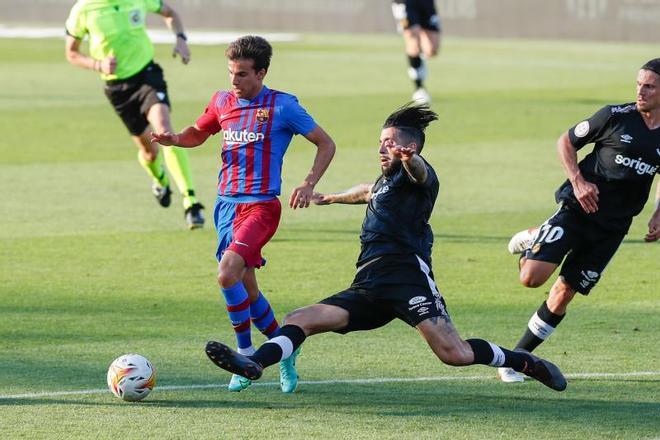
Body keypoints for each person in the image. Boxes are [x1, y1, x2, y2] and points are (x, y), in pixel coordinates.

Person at [203, 103, 567, 393]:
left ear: (410, 147)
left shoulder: (418, 176)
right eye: (380, 141)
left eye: (389, 142)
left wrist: (413, 160)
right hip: (369, 284)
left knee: (454, 354)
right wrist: (328, 197)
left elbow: (420, 173)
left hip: (408, 278)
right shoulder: (385, 181)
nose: (382, 148)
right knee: (300, 318)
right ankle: (254, 364)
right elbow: (366, 190)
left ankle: (523, 362)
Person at [151, 35, 336, 393]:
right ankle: (284, 348)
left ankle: (245, 354)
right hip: (226, 206)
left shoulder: (283, 107)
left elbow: (325, 142)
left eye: (241, 75)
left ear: (261, 73)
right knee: (247, 289)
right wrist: (175, 139)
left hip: (261, 206)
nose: (233, 82)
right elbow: (199, 132)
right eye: (231, 73)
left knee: (226, 274)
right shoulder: (222, 101)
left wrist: (309, 182)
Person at [497, 59, 660, 383]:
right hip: (578, 208)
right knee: (531, 278)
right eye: (639, 84)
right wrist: (578, 180)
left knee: (564, 292)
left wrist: (658, 212)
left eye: (650, 86)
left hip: (613, 227)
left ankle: (516, 360)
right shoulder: (615, 117)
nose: (640, 91)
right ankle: (535, 237)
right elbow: (566, 141)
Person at [65, 0, 205, 229]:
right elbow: (71, 53)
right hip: (117, 89)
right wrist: (98, 64)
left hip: (147, 76)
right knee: (149, 152)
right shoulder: (83, 9)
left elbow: (170, 13)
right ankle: (159, 178)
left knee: (164, 131)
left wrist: (181, 39)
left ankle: (191, 202)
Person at [391, 0, 441, 105]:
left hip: (426, 3)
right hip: (404, 3)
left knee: (432, 50)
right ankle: (419, 88)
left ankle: (418, 60)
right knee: (413, 40)